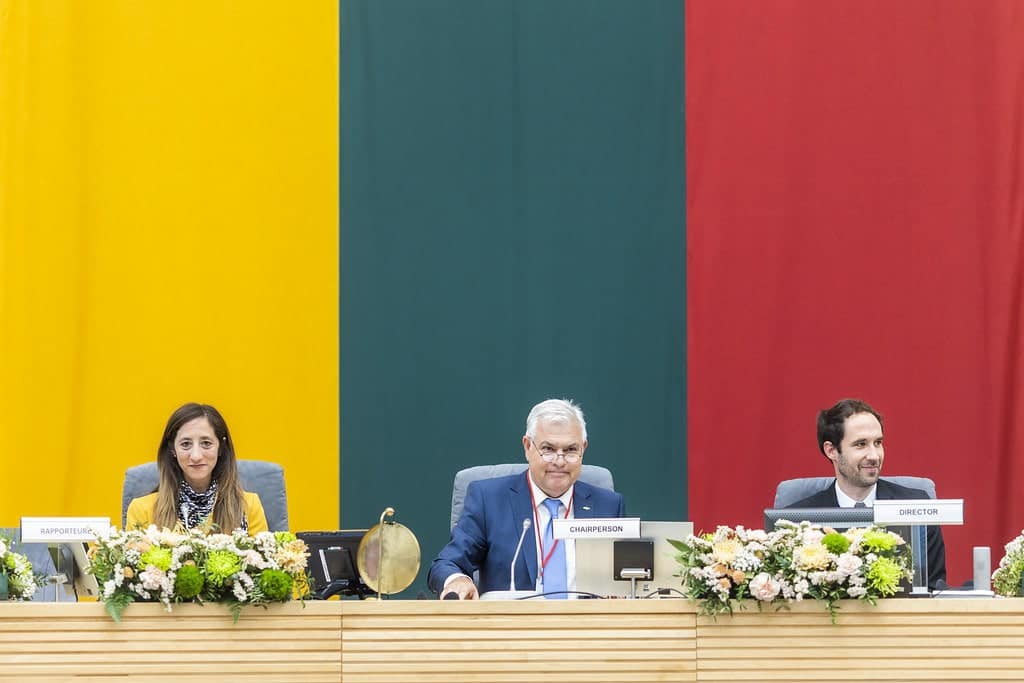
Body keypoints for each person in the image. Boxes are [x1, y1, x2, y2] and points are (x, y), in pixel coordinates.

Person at [428, 398, 625, 599]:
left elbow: (626, 580)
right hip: (513, 627)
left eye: (570, 450)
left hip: (590, 627)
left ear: (583, 448)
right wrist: (458, 580)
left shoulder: (608, 505)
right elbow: (447, 563)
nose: (559, 461)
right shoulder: (489, 500)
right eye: (548, 449)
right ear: (527, 446)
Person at [786, 398, 946, 587]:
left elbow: (935, 588)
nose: (874, 455)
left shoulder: (917, 504)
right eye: (861, 444)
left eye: (877, 443)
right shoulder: (798, 522)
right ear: (832, 451)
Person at [126, 403, 268, 535]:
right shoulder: (141, 510)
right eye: (186, 444)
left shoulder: (249, 507)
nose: (196, 456)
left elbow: (261, 560)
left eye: (206, 443)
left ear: (221, 447)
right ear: (172, 449)